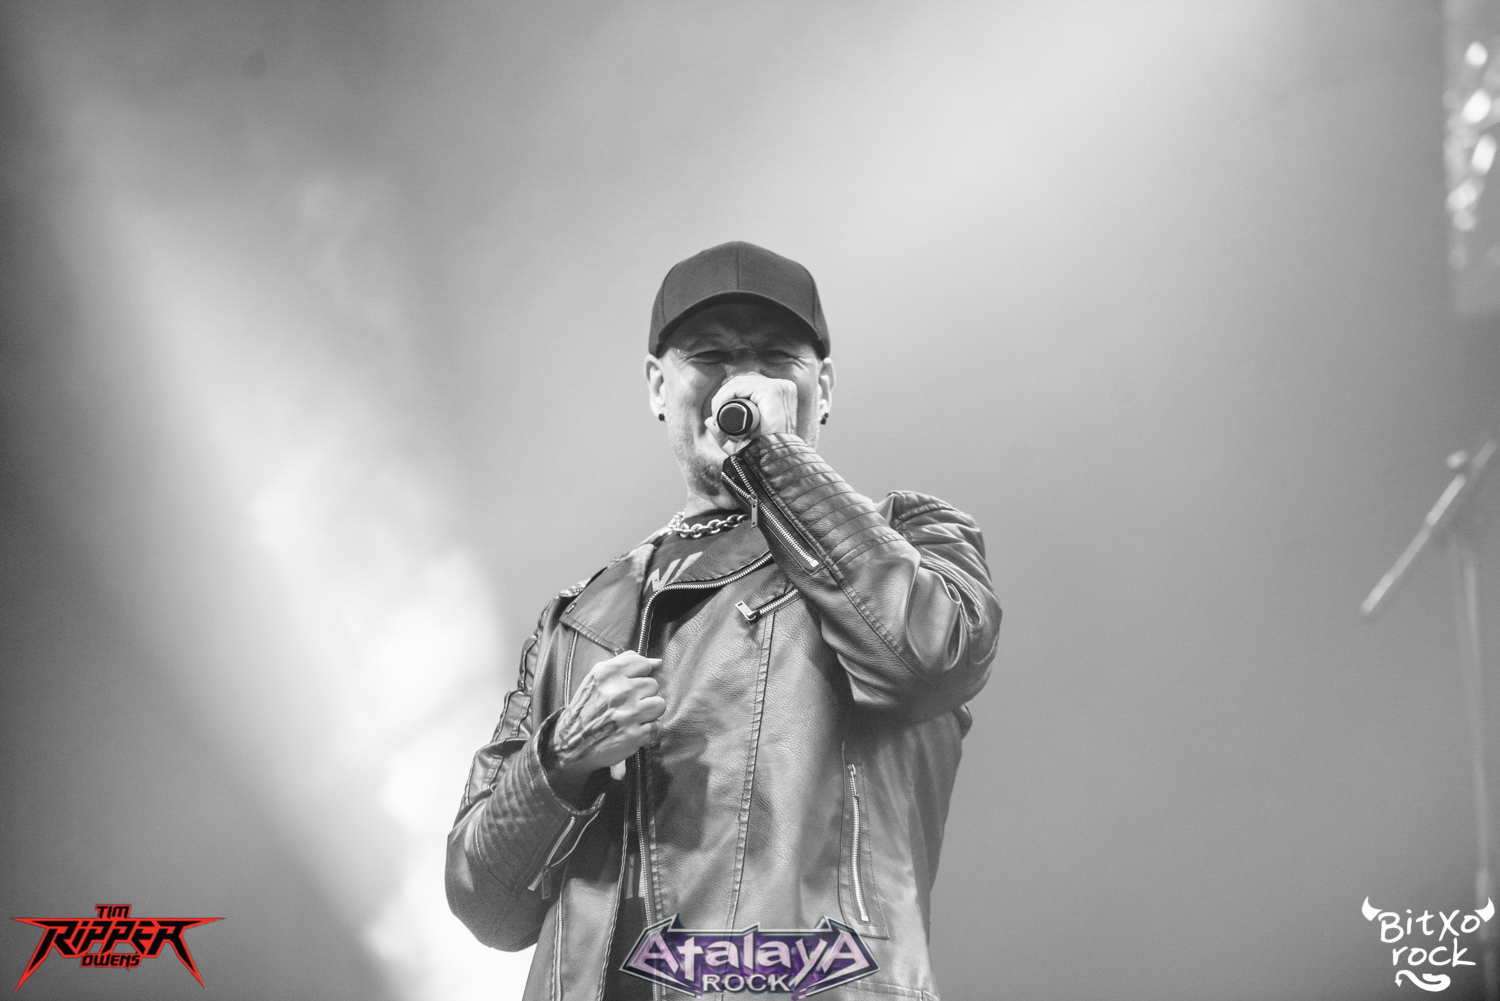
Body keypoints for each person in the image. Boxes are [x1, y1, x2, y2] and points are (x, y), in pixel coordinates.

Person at [446, 241, 1000, 1000]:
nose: (743, 379)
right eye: (710, 356)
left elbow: (929, 658)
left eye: (775, 357)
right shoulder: (577, 622)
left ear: (822, 388)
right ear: (658, 385)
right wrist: (562, 757)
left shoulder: (914, 543)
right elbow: (482, 899)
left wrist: (771, 456)